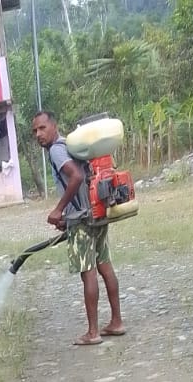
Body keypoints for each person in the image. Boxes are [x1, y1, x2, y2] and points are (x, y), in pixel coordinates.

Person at [32, 110, 125, 347]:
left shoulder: (57, 150)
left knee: (88, 273)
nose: (38, 134)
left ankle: (93, 332)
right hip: (97, 212)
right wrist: (67, 216)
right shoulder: (72, 146)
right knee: (105, 267)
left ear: (54, 126)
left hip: (83, 220)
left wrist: (58, 210)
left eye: (42, 128)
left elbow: (76, 177)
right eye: (35, 131)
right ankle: (116, 322)